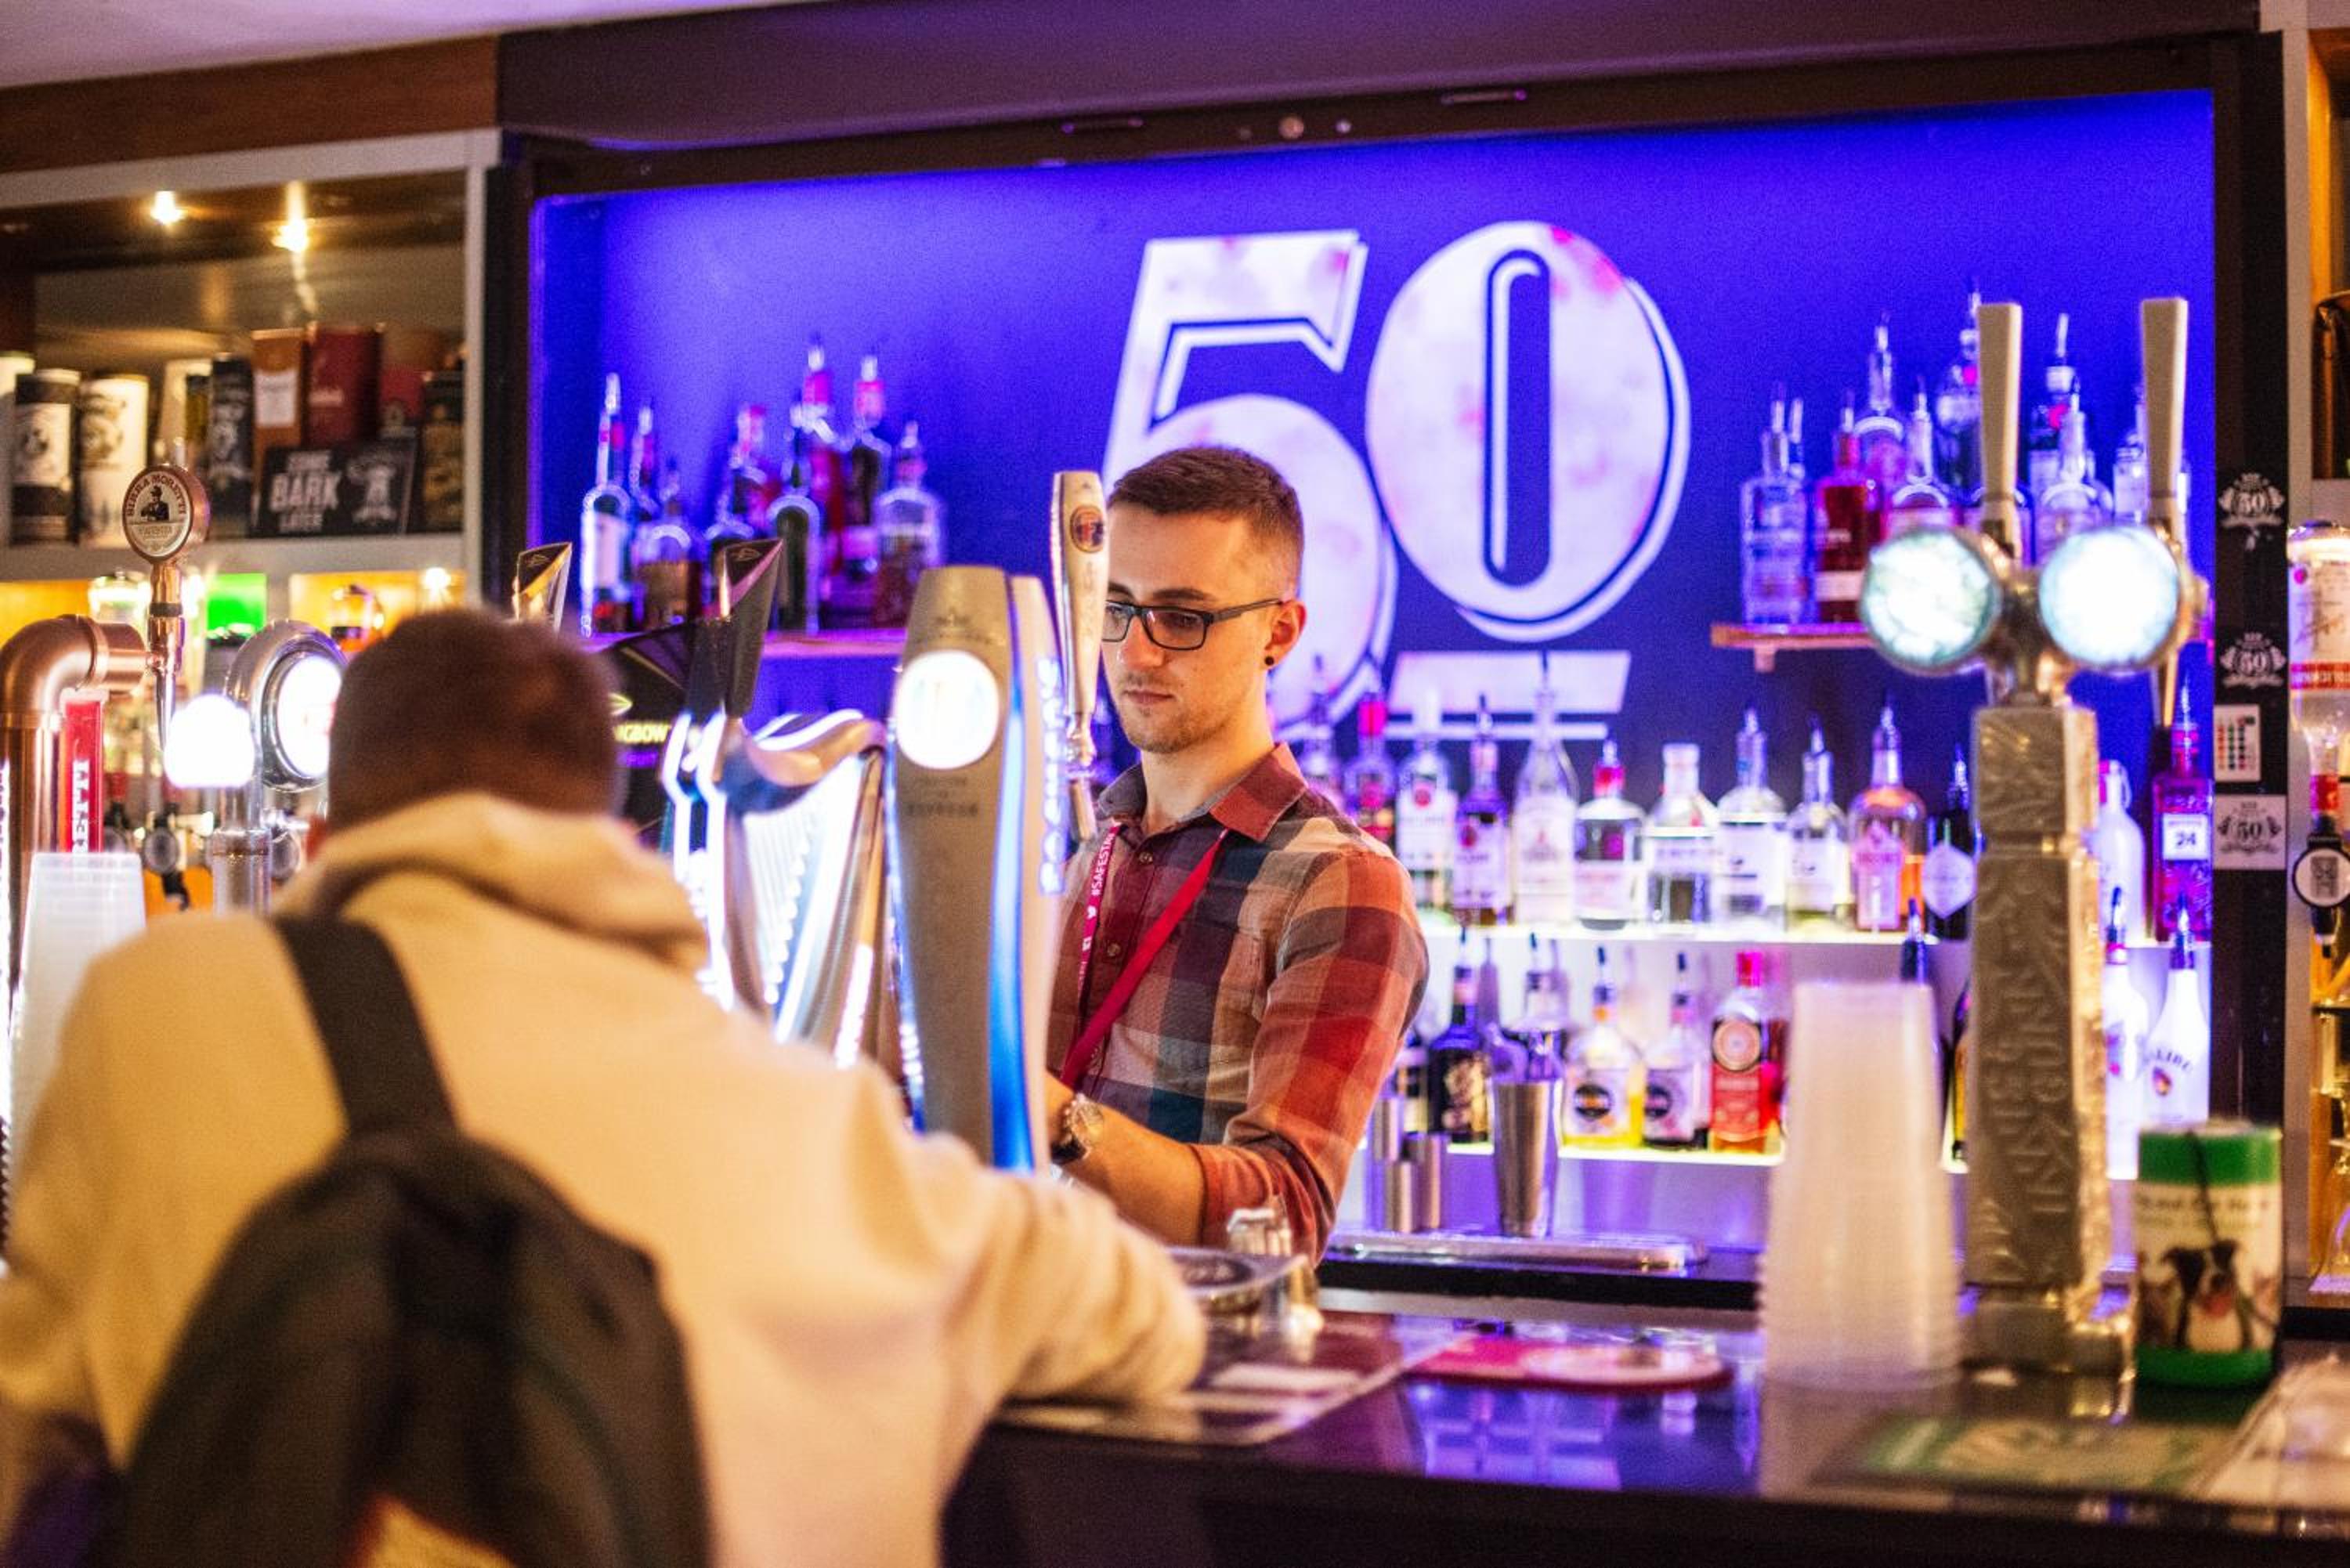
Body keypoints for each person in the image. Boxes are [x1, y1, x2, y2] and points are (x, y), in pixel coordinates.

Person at [0, 609, 1202, 1568]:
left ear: (331, 824)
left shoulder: (156, 1015)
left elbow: (26, 1420)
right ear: (607, 827)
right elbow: (1144, 1319)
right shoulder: (814, 1125)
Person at [1043, 446, 1427, 1257]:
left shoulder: (1340, 880)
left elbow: (1283, 1217)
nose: (1136, 652)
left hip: (1192, 1337)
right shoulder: (1076, 847)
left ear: (1278, 633)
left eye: (1183, 618)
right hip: (1024, 1315)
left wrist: (1050, 1115)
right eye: (1116, 608)